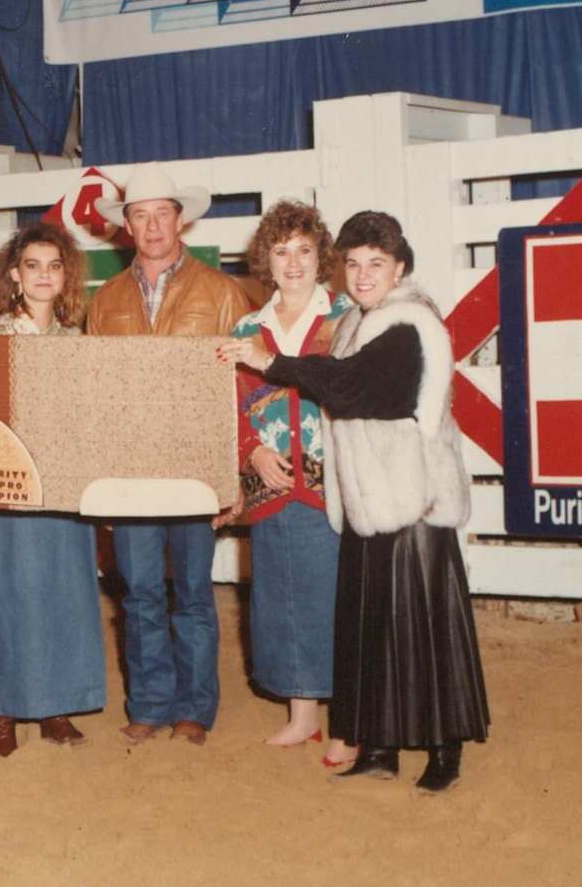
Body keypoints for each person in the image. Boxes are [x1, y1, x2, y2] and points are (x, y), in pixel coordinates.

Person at [218, 210, 489, 793]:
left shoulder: (409, 322)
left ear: (401, 269)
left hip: (413, 498)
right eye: (355, 264)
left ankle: (445, 750)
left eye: (377, 265)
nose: (364, 275)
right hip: (367, 499)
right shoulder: (357, 323)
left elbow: (353, 387)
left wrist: (271, 362)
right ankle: (383, 746)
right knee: (372, 627)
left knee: (425, 628)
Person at [87, 163, 251, 746]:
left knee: (192, 591)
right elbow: (97, 395)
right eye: (140, 214)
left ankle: (195, 708)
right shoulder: (104, 301)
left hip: (194, 472)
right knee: (139, 592)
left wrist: (233, 478)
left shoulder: (222, 292)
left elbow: (243, 391)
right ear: (125, 226)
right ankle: (151, 703)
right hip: (130, 472)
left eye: (162, 213)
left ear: (180, 219)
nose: (152, 225)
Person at [230, 200, 355, 767]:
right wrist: (251, 451)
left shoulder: (347, 318)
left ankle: (347, 722)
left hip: (337, 487)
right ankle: (301, 716)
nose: (294, 263)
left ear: (321, 256)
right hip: (271, 486)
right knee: (280, 596)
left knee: (337, 599)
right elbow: (226, 406)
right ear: (266, 261)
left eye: (305, 251)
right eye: (282, 252)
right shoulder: (245, 328)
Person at [0, 222, 106, 757]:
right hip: (11, 486)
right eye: (33, 265)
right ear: (14, 274)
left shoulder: (78, 340)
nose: (44, 275)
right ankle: (1, 714)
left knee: (64, 592)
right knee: (12, 594)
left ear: (65, 275)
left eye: (54, 266)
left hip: (64, 486)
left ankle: (55, 707)